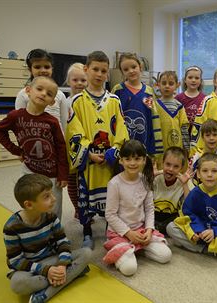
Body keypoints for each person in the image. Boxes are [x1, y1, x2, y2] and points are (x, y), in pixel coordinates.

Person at [66, 51, 129, 249]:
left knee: (112, 196)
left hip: (109, 160)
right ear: (86, 69)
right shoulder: (77, 101)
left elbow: (121, 129)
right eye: (95, 69)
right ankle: (86, 231)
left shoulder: (114, 101)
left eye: (103, 70)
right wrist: (88, 153)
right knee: (86, 198)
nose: (99, 74)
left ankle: (111, 229)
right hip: (89, 161)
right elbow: (74, 133)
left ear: (107, 74)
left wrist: (114, 151)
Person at [3, 174, 92, 303]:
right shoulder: (11, 227)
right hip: (31, 268)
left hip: (52, 259)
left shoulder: (51, 217)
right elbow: (15, 261)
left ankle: (46, 293)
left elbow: (63, 243)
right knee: (17, 284)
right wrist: (46, 271)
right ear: (28, 205)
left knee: (86, 253)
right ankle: (73, 273)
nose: (53, 199)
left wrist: (62, 265)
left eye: (51, 194)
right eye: (47, 196)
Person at [0, 76, 68, 220]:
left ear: (52, 101)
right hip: (29, 169)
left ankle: (55, 234)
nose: (43, 94)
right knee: (30, 203)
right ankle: (34, 231)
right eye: (39, 89)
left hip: (51, 173)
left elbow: (61, 147)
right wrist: (16, 150)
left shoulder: (52, 121)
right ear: (28, 91)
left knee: (52, 207)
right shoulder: (15, 116)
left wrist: (63, 174)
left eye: (49, 94)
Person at [103, 140, 172, 276]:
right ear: (121, 161)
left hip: (140, 230)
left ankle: (136, 247)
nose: (132, 163)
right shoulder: (114, 184)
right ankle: (124, 246)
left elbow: (149, 208)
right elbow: (110, 215)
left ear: (144, 160)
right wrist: (128, 233)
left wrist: (149, 229)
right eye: (127, 159)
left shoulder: (145, 180)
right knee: (130, 269)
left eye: (137, 159)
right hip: (120, 232)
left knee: (166, 255)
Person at [167, 152, 217, 261]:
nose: (209, 175)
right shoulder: (196, 192)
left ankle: (206, 248)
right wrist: (196, 230)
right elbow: (188, 213)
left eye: (214, 171)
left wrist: (215, 231)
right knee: (171, 228)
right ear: (198, 174)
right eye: (205, 171)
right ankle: (214, 250)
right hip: (200, 231)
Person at [112, 53, 163, 158]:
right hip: (122, 145)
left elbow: (153, 120)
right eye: (126, 69)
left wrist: (153, 149)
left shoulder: (148, 92)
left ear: (140, 67)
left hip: (143, 146)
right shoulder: (118, 90)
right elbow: (112, 118)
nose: (131, 71)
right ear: (122, 72)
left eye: (134, 67)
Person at [15, 49, 68, 132]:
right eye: (37, 67)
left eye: (47, 67)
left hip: (57, 142)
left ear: (52, 69)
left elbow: (65, 122)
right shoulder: (23, 94)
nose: (43, 70)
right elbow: (19, 124)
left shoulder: (60, 95)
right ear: (30, 70)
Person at [64, 63, 87, 219]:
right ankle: (77, 209)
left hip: (87, 146)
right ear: (68, 81)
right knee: (72, 182)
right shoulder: (65, 102)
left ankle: (88, 207)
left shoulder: (89, 102)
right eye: (75, 80)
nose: (79, 83)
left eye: (83, 80)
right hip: (71, 148)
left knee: (86, 180)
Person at [153, 146, 194, 234]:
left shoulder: (185, 181)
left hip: (171, 220)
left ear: (181, 168)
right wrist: (150, 178)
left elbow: (190, 208)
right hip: (152, 218)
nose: (171, 169)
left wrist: (184, 185)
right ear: (162, 163)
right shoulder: (155, 178)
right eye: (168, 164)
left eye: (176, 166)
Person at [155, 71, 190, 154]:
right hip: (159, 149)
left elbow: (184, 129)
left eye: (170, 84)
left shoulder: (179, 106)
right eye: (164, 83)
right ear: (158, 85)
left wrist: (187, 149)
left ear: (177, 85)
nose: (167, 86)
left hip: (176, 148)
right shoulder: (154, 105)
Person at [189, 118, 217, 186]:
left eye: (214, 135)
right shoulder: (196, 156)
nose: (211, 138)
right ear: (202, 137)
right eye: (207, 135)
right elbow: (191, 180)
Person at [175, 66, 206, 131]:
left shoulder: (205, 99)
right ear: (185, 80)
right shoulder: (178, 98)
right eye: (190, 77)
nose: (193, 80)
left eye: (197, 78)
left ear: (200, 81)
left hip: (199, 135)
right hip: (182, 134)